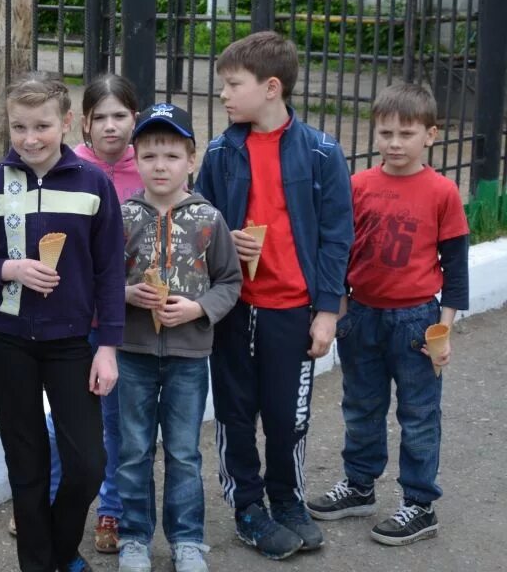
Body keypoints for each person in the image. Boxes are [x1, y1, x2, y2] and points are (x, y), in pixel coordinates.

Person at [0, 71, 125, 572]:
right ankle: (40, 564)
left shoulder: (94, 184)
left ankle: (58, 548)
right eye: (18, 127)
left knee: (88, 465)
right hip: (9, 341)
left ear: (69, 123)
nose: (30, 139)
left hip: (73, 342)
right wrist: (7, 268)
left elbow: (110, 270)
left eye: (42, 126)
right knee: (25, 465)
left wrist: (109, 347)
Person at [195, 31, 353, 560]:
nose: (223, 94)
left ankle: (288, 500)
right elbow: (201, 224)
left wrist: (327, 311)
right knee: (237, 414)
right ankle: (249, 509)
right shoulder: (221, 151)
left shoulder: (322, 152)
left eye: (232, 84)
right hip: (235, 310)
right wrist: (226, 234)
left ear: (271, 87)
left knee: (289, 416)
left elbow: (337, 236)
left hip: (293, 310)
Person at [307, 82, 468, 546]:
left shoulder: (442, 192)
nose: (395, 143)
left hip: (418, 321)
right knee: (361, 406)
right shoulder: (357, 186)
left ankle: (419, 504)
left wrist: (445, 329)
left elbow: (455, 268)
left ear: (431, 135)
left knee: (419, 414)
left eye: (407, 133)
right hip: (362, 316)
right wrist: (337, 311)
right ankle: (359, 486)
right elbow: (337, 253)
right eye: (386, 133)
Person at [115, 103, 242, 572]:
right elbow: (101, 279)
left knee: (185, 453)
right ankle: (133, 537)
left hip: (190, 355)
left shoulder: (208, 218)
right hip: (132, 354)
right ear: (136, 160)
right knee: (133, 451)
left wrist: (198, 308)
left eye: (171, 155)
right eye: (149, 156)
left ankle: (187, 539)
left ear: (191, 160)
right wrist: (128, 296)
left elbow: (230, 281)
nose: (160, 165)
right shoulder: (122, 216)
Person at [26, 74, 141, 552]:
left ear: (135, 117)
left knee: (112, 426)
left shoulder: (151, 166)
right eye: (101, 118)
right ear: (84, 124)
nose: (111, 127)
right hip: (71, 325)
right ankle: (50, 503)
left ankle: (109, 512)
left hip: (119, 324)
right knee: (62, 424)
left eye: (120, 116)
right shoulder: (67, 170)